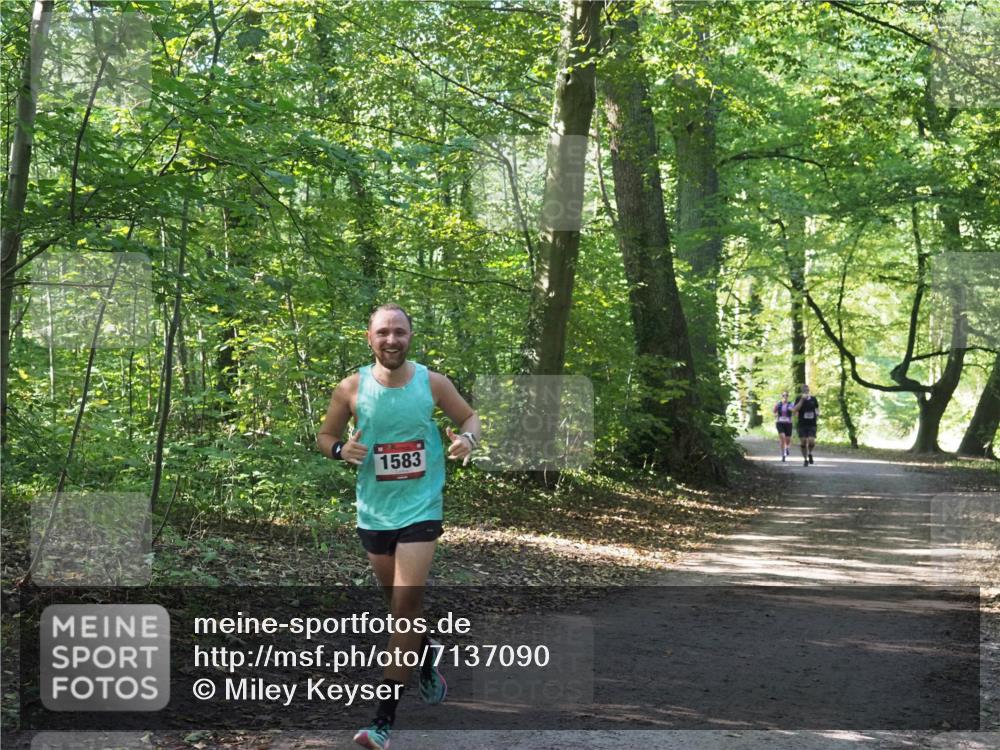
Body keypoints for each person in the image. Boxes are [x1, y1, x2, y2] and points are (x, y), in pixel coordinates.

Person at [317, 303, 481, 750]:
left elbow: (469, 418)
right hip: (374, 512)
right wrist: (338, 452)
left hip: (421, 508)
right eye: (383, 332)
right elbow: (326, 436)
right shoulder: (350, 388)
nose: (392, 340)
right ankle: (425, 659)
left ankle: (382, 722)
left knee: (405, 609)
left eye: (400, 332)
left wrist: (468, 438)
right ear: (369, 338)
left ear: (411, 337)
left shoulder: (432, 383)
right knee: (396, 604)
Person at [792, 384, 819, 467]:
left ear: (808, 390)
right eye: (804, 390)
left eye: (807, 389)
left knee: (811, 441)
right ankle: (805, 459)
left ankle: (810, 453)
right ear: (802, 391)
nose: (806, 391)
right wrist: (802, 400)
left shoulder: (813, 399)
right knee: (803, 442)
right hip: (802, 424)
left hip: (812, 423)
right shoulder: (799, 398)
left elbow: (817, 408)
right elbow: (795, 409)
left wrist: (817, 413)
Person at [773, 391, 794, 462]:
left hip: (788, 423)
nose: (785, 397)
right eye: (784, 395)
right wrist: (775, 413)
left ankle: (787, 448)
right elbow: (774, 412)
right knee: (782, 437)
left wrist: (792, 411)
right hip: (780, 423)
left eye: (786, 395)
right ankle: (783, 455)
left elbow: (794, 411)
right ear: (782, 396)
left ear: (788, 396)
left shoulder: (791, 404)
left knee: (787, 440)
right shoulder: (778, 404)